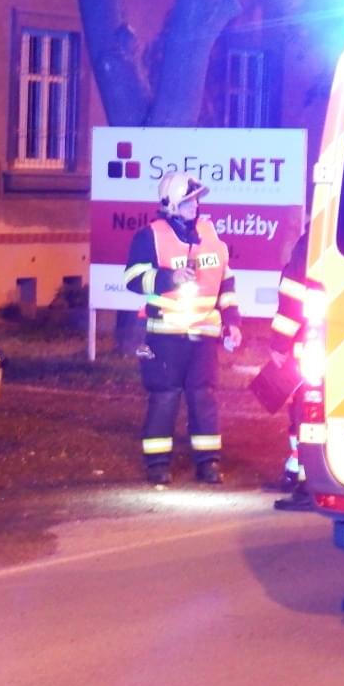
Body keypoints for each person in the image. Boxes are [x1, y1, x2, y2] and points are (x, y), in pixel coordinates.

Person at [123, 171, 243, 485]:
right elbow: (132, 279)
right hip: (165, 334)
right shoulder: (150, 236)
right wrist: (169, 278)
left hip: (203, 335)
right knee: (165, 397)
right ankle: (157, 465)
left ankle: (208, 464)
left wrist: (232, 321)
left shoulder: (209, 233)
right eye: (189, 201)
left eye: (197, 200)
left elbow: (225, 281)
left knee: (204, 398)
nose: (195, 206)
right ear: (172, 204)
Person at [269, 231, 311, 511]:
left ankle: (306, 485)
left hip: (312, 346)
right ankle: (296, 472)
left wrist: (279, 344)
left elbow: (293, 296)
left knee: (306, 414)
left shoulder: (315, 240)